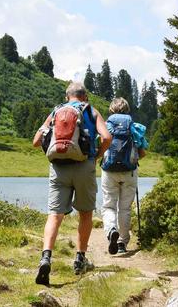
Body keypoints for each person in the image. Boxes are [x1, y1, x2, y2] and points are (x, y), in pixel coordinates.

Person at [32, 82, 111, 286]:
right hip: (85, 165)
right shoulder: (91, 111)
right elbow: (107, 137)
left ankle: (46, 257)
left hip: (58, 167)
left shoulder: (57, 110)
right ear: (84, 97)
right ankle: (79, 259)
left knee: (54, 214)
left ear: (67, 96)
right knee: (85, 213)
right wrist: (96, 156)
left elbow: (35, 141)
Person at [100, 97, 147, 255]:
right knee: (125, 208)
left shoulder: (106, 126)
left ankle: (111, 230)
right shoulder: (134, 127)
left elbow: (97, 144)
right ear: (127, 110)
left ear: (111, 110)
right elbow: (143, 152)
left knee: (108, 206)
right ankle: (122, 243)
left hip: (108, 172)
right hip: (129, 172)